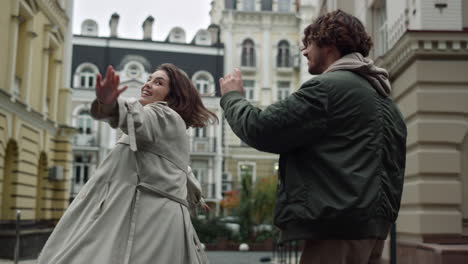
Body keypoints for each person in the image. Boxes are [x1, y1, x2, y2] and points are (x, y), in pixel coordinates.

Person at [219, 10, 407, 264]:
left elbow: (261, 129)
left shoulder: (328, 89)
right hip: (373, 231)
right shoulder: (386, 101)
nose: (304, 52)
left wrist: (233, 97)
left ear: (328, 44)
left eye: (308, 44)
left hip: (337, 230)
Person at [37, 63, 217, 264]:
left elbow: (137, 118)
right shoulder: (171, 126)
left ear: (173, 96)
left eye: (158, 82)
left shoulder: (164, 115)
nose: (147, 84)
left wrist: (109, 102)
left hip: (146, 223)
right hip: (152, 219)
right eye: (148, 79)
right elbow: (180, 170)